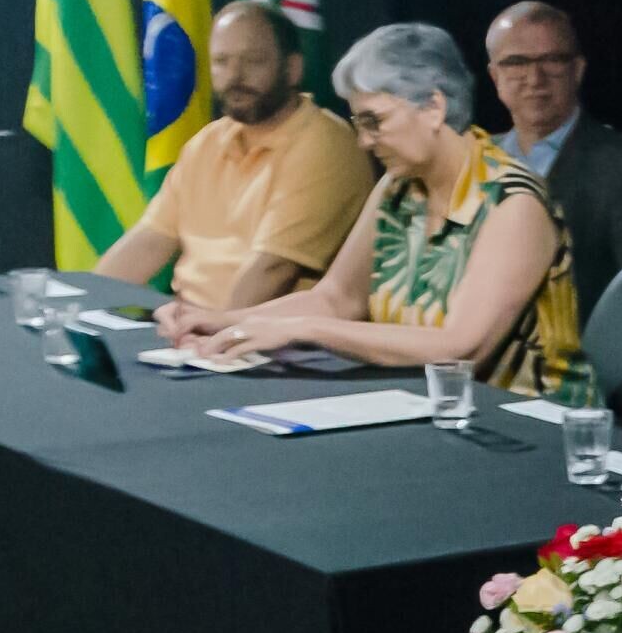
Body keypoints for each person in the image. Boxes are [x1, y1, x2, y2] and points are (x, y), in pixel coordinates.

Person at [159, 21, 582, 392]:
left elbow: (462, 348)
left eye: (374, 121)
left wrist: (303, 330)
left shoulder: (513, 202)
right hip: (424, 405)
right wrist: (228, 322)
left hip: (527, 431)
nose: (363, 141)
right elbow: (337, 298)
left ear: (433, 107)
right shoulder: (398, 187)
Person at [92, 0, 373, 309]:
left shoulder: (324, 144)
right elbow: (149, 242)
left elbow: (273, 271)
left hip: (272, 340)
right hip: (191, 329)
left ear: (292, 69)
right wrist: (80, 307)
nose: (235, 76)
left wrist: (211, 336)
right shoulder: (207, 143)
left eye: (252, 61)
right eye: (221, 62)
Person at [482, 0, 622, 321]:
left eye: (552, 60)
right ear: (495, 76)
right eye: (517, 62)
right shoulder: (475, 161)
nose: (535, 78)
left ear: (577, 70)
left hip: (579, 365)